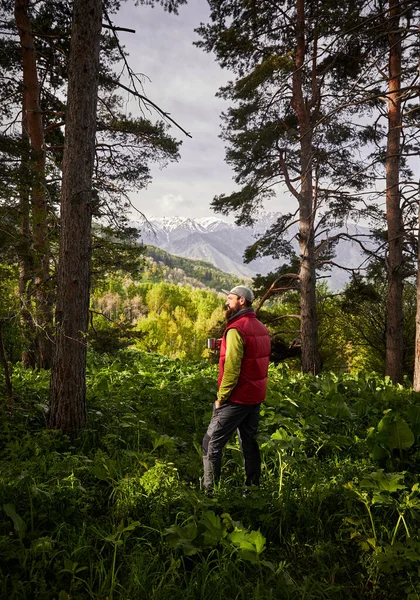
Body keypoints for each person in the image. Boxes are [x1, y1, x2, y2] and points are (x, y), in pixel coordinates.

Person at [202, 285, 271, 492]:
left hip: (236, 398)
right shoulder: (260, 327)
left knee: (210, 443)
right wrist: (223, 344)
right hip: (254, 397)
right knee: (249, 444)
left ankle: (209, 493)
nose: (227, 302)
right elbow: (254, 355)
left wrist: (221, 398)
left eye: (230, 298)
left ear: (241, 301)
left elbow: (232, 367)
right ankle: (253, 490)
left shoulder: (236, 329)